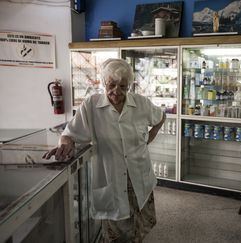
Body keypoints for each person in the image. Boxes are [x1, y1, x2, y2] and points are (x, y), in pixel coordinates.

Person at [44, 58, 166, 242]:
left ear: (129, 86)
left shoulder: (141, 103)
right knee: (117, 234)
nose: (116, 91)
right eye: (112, 85)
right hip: (112, 180)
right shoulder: (91, 106)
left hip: (139, 177)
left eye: (123, 86)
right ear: (104, 82)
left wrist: (148, 138)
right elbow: (69, 134)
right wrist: (65, 144)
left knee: (139, 229)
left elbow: (160, 117)